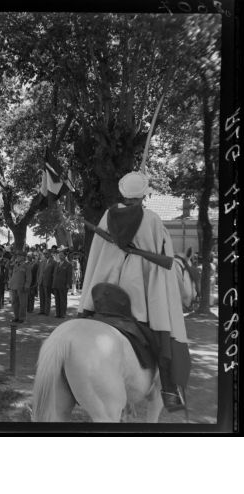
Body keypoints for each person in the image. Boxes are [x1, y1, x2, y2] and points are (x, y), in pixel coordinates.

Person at [78, 170, 191, 412]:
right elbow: (166, 261)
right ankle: (170, 390)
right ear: (143, 196)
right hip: (139, 293)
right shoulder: (152, 220)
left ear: (123, 193)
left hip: (105, 290)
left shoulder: (107, 217)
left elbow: (98, 254)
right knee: (162, 334)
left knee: (83, 322)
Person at [9, 250, 31, 323]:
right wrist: (13, 260)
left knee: (23, 303)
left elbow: (29, 277)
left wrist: (27, 285)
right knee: (14, 302)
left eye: (19, 256)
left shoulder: (26, 265)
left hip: (22, 287)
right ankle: (16, 316)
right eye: (17, 256)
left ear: (23, 257)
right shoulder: (15, 264)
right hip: (14, 286)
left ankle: (22, 318)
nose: (17, 257)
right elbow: (7, 267)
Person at [51, 250, 73, 318]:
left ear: (65, 256)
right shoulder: (57, 264)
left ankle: (63, 313)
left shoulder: (68, 265)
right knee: (57, 299)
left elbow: (69, 276)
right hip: (56, 284)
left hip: (63, 285)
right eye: (59, 255)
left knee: (63, 300)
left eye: (61, 255)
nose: (60, 256)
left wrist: (68, 284)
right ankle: (58, 313)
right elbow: (54, 274)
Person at [37, 249, 55, 315]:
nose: (45, 255)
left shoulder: (53, 262)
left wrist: (52, 282)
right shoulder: (42, 262)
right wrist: (38, 280)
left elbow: (54, 274)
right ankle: (42, 310)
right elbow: (39, 272)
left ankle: (47, 311)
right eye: (44, 253)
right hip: (41, 281)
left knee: (47, 297)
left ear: (50, 254)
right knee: (41, 297)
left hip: (48, 282)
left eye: (46, 253)